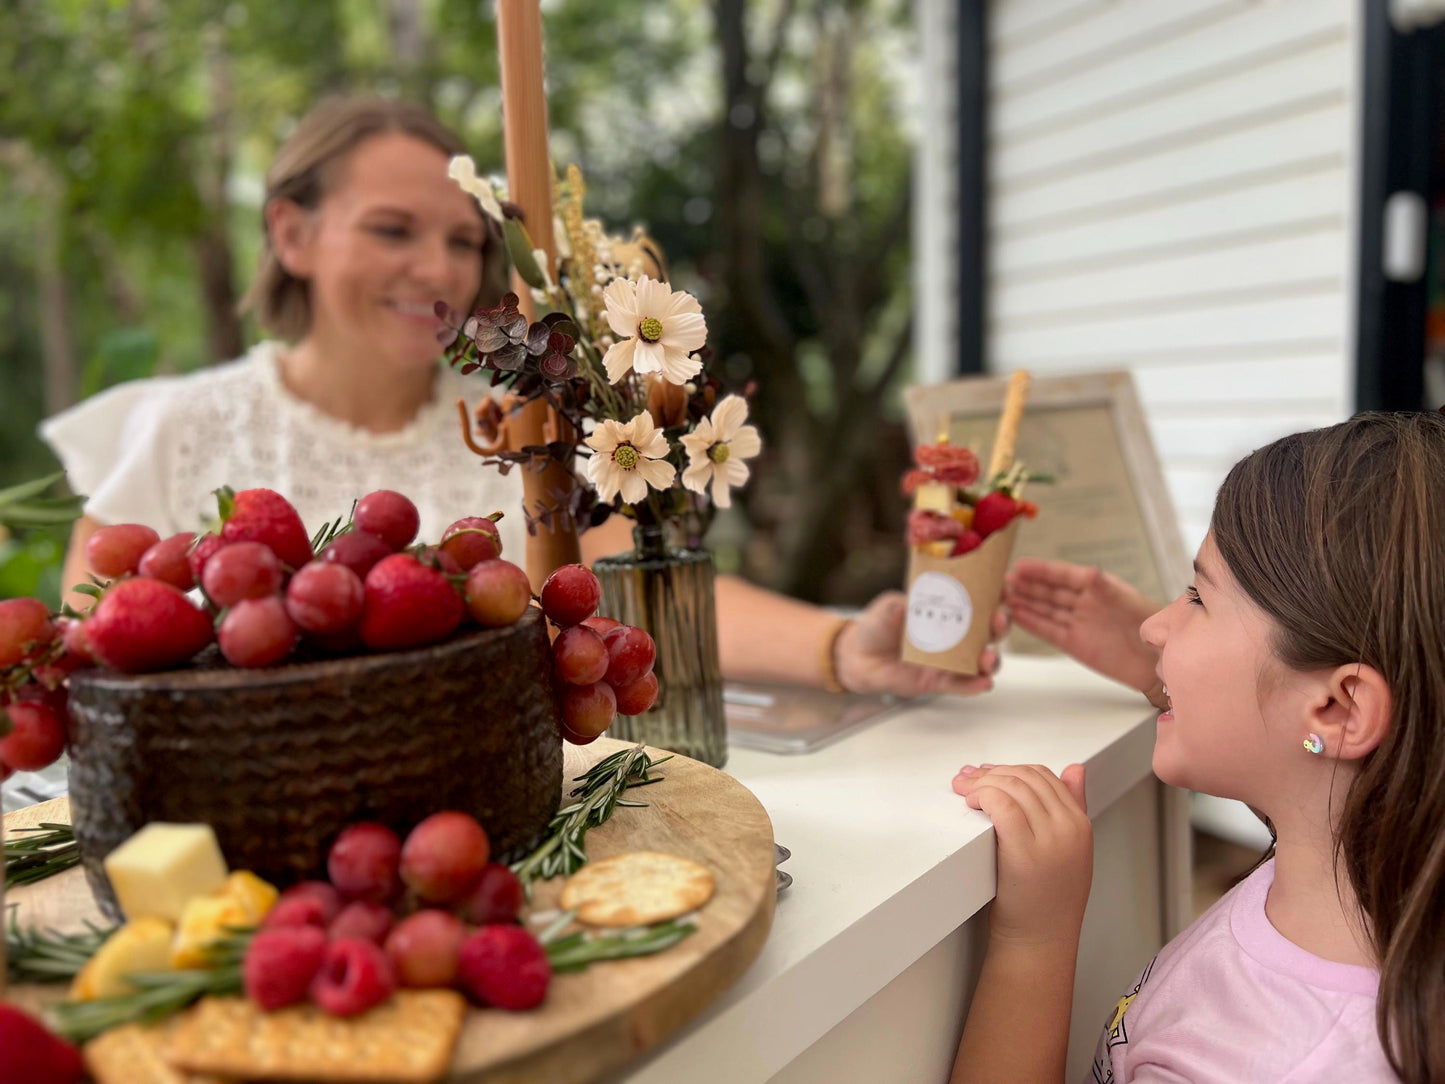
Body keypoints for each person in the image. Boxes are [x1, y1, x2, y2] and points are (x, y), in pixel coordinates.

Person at [40, 95, 1003, 699]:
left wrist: (846, 647)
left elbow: (629, 584)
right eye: (392, 230)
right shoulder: (176, 427)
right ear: (290, 233)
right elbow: (92, 655)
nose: (440, 270)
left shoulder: (525, 430)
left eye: (465, 240)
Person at [948, 412, 1445, 1083]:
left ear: (1337, 707)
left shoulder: (1263, 1063)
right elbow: (1299, 757)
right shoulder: (1373, 873)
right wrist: (1158, 669)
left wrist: (1033, 938)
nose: (1156, 624)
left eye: (1195, 598)